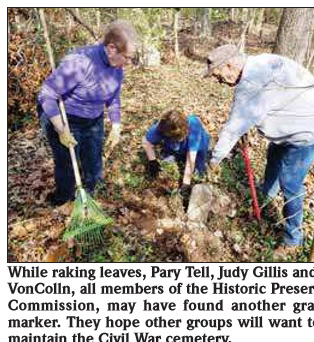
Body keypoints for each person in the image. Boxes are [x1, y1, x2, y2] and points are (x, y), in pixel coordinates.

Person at [204, 44, 314, 259]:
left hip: (310, 127)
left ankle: (292, 238)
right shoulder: (262, 61)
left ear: (230, 65)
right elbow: (268, 103)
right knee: (274, 155)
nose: (218, 80)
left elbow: (232, 129)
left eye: (218, 75)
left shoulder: (250, 84)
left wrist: (214, 160)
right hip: (307, 115)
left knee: (291, 182)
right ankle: (266, 195)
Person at [38, 20, 138, 206]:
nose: (129, 62)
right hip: (66, 118)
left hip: (93, 119)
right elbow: (47, 95)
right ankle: (63, 199)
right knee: (67, 164)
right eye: (128, 57)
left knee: (94, 161)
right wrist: (61, 130)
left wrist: (116, 124)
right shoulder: (79, 63)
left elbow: (113, 97)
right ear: (111, 49)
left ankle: (92, 194)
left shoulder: (117, 69)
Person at [142, 110, 210, 207]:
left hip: (199, 148)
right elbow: (146, 142)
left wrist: (186, 183)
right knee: (169, 157)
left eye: (179, 138)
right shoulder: (163, 126)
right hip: (174, 146)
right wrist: (152, 161)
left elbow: (191, 157)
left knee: (199, 169)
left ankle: (199, 173)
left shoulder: (194, 126)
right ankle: (175, 154)